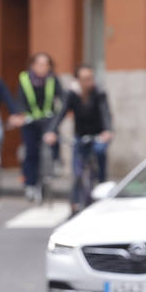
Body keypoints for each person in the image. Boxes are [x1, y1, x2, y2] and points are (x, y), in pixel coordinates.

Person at [49, 63, 113, 211]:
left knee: (100, 153)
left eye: (90, 78)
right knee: (77, 170)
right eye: (84, 79)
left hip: (98, 135)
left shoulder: (99, 93)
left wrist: (107, 131)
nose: (88, 82)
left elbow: (105, 113)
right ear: (77, 80)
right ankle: (74, 203)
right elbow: (61, 113)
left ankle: (103, 189)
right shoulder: (72, 95)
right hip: (80, 135)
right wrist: (51, 131)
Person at [13, 51, 63, 200]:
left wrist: (62, 112)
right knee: (31, 152)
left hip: (47, 119)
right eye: (39, 64)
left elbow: (63, 97)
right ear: (33, 65)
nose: (43, 67)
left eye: (46, 64)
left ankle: (55, 161)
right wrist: (21, 115)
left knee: (54, 135)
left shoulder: (53, 79)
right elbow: (19, 100)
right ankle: (30, 184)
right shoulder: (24, 79)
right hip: (30, 121)